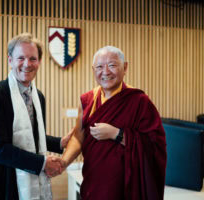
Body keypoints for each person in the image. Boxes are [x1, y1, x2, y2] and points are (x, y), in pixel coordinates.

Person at [0, 33, 70, 200]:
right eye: (20, 58)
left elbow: (28, 136)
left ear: (39, 62)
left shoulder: (39, 96)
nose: (27, 64)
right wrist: (42, 163)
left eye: (32, 58)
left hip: (27, 174)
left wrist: (59, 143)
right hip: (2, 181)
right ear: (10, 60)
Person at [61, 46, 167, 200]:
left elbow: (155, 145)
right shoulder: (87, 100)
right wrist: (64, 162)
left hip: (126, 185)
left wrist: (117, 134)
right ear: (93, 70)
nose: (105, 72)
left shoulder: (139, 101)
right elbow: (78, 137)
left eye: (112, 65)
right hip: (94, 181)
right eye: (99, 67)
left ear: (125, 67)